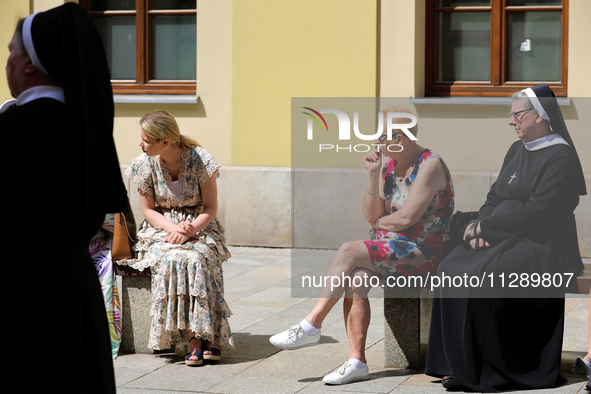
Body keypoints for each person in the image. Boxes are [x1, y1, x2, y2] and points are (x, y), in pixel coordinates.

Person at [270, 108, 454, 384]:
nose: (377, 142)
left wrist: (380, 223)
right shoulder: (389, 165)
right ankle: (357, 361)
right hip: (392, 247)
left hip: (423, 252)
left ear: (401, 138)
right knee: (356, 278)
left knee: (348, 250)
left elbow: (407, 217)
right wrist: (372, 173)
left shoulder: (430, 164)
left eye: (381, 136)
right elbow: (371, 214)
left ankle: (312, 324)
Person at [425, 83, 587, 392]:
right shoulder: (517, 149)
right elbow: (494, 196)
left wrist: (486, 229)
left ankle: (486, 368)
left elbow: (540, 211)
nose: (511, 121)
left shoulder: (560, 157)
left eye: (517, 115)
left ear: (539, 115)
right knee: (450, 267)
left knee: (484, 275)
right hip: (501, 233)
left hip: (541, 242)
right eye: (511, 115)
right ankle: (454, 363)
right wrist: (478, 227)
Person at [1, 3, 128, 392]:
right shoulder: (83, 126)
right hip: (75, 291)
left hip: (22, 293)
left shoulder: (18, 128)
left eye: (11, 52)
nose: (7, 61)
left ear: (28, 65)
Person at [120, 110, 233, 366]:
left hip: (200, 226)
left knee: (199, 256)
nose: (140, 144)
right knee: (175, 257)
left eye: (145, 140)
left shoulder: (201, 160)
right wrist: (173, 229)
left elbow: (210, 208)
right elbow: (148, 210)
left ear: (165, 142)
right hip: (160, 228)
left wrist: (190, 229)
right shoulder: (143, 164)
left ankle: (203, 336)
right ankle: (196, 339)